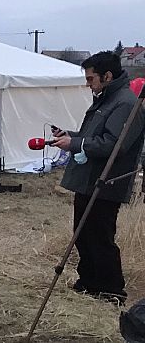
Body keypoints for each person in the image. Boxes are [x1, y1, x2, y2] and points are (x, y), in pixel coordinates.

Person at [50, 51, 145, 303]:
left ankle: (111, 290)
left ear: (107, 76)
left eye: (91, 79)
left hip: (107, 182)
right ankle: (89, 281)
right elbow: (91, 136)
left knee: (100, 236)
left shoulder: (124, 103)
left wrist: (75, 144)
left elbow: (114, 145)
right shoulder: (105, 100)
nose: (88, 84)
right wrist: (69, 136)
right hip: (88, 180)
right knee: (83, 233)